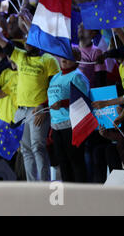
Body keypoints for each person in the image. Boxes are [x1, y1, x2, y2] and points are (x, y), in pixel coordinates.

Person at [0, 15, 60, 181]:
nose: (26, 42)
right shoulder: (21, 56)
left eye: (30, 39)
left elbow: (55, 88)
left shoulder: (49, 60)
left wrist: (43, 106)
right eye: (26, 39)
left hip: (37, 110)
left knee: (38, 147)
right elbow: (3, 41)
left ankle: (45, 185)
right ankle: (33, 185)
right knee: (26, 150)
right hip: (21, 111)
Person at [47, 47, 89, 182]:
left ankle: (81, 194)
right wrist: (40, 106)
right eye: (63, 55)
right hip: (56, 125)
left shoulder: (77, 76)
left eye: (69, 56)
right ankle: (68, 194)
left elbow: (83, 99)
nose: (64, 59)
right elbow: (52, 97)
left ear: (77, 60)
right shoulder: (55, 77)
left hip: (71, 125)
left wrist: (63, 103)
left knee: (75, 161)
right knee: (63, 162)